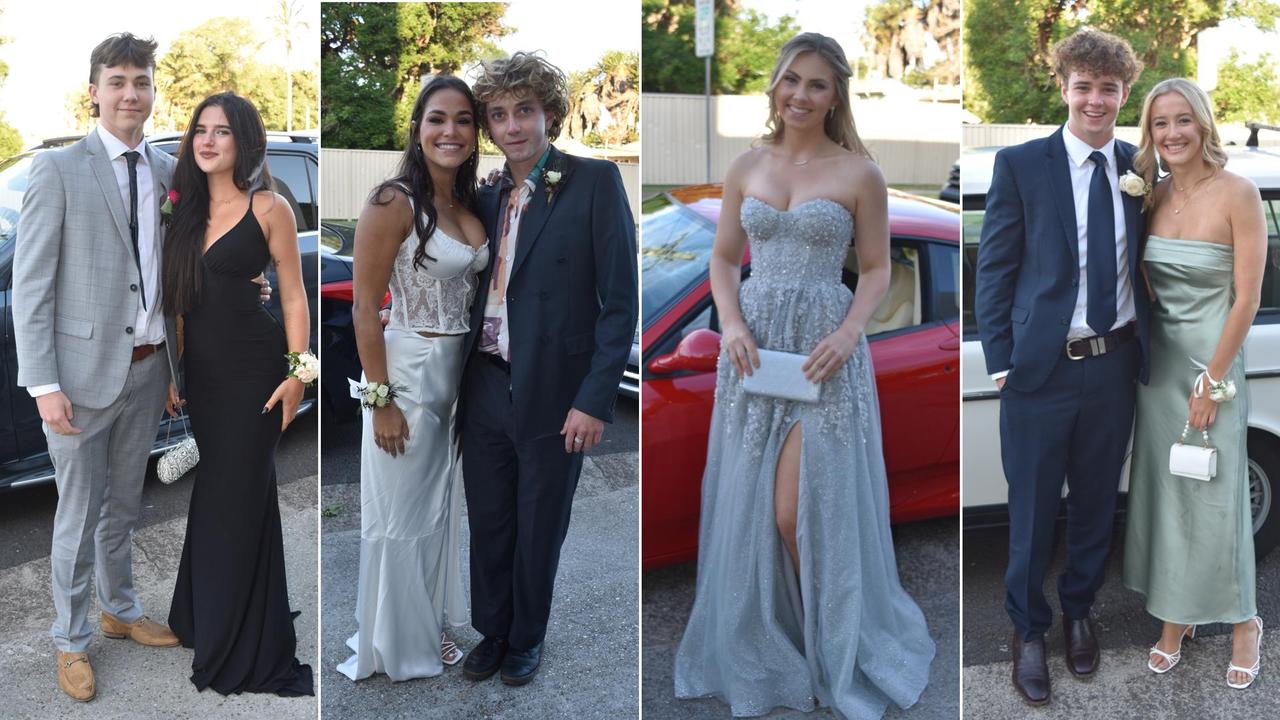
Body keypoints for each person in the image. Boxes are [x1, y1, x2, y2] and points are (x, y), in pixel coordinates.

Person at [672, 32, 934, 719]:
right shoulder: (745, 166)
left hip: (825, 352)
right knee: (751, 510)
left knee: (799, 513)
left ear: (836, 93)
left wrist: (850, 332)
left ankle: (832, 649)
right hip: (754, 349)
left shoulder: (859, 174)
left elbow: (875, 269)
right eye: (792, 79)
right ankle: (776, 644)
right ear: (776, 85)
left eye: (817, 84)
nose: (801, 95)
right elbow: (725, 259)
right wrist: (729, 323)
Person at [974, 30, 1150, 705]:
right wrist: (1000, 365)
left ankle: (1080, 613)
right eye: (1084, 85)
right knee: (1032, 512)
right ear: (1064, 87)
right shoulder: (1021, 164)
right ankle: (1027, 632)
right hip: (1038, 373)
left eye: (1109, 88)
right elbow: (994, 272)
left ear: (1124, 92)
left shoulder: (1143, 167)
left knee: (1097, 508)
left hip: (1115, 367)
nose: (1096, 99)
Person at [458, 52, 637, 686]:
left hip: (556, 392)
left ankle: (527, 638)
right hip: (481, 383)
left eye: (524, 111)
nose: (512, 126)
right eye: (499, 115)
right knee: (490, 520)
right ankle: (493, 631)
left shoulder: (594, 182)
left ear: (550, 115)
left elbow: (620, 305)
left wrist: (594, 399)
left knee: (540, 522)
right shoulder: (482, 194)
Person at [14, 33, 182, 703]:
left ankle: (121, 609)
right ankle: (69, 640)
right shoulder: (59, 169)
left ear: (151, 90)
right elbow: (32, 288)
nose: (130, 94)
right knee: (77, 516)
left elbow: (175, 276)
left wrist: (172, 369)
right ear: (94, 90)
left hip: (146, 370)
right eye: (117, 81)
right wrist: (44, 385)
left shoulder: (170, 170)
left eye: (140, 81)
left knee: (124, 507)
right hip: (79, 382)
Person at [337, 75, 488, 682]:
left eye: (462, 120)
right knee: (400, 515)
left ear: (476, 134)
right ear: (417, 129)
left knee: (435, 512)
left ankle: (425, 623)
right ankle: (396, 644)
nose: (449, 131)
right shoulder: (393, 201)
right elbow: (363, 307)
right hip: (408, 374)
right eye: (436, 119)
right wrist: (381, 403)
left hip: (458, 381)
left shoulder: (468, 204)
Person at [162, 92, 313, 696]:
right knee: (221, 496)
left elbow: (295, 295)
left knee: (236, 497)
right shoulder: (181, 210)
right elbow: (176, 303)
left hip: (255, 374)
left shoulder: (269, 207)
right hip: (201, 377)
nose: (207, 140)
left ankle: (236, 639)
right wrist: (174, 375)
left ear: (243, 141)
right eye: (200, 129)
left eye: (221, 132)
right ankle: (202, 615)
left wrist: (300, 374)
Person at [1121, 78, 1267, 688]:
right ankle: (1175, 620)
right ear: (1149, 133)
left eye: (1183, 120)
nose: (1172, 133)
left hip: (1214, 371)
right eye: (1160, 124)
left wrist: (1210, 381)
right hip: (1159, 374)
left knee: (1216, 498)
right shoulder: (1148, 199)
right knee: (1168, 497)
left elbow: (1248, 299)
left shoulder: (1239, 193)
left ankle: (1242, 623)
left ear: (1203, 124)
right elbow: (1143, 290)